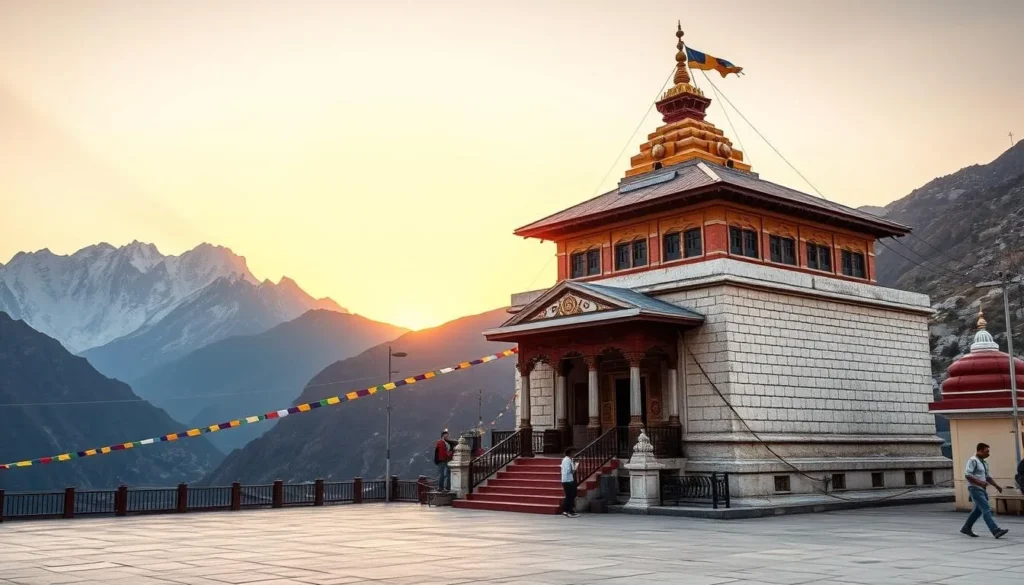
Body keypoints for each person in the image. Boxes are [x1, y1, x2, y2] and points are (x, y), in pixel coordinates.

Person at [961, 442, 1009, 539]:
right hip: (975, 488)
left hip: (981, 489)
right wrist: (980, 483)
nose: (988, 454)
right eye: (986, 451)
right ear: (980, 450)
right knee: (986, 509)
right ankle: (995, 530)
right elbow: (967, 475)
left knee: (978, 511)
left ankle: (966, 528)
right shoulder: (973, 461)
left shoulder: (984, 463)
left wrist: (997, 486)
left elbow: (987, 477)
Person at [561, 447, 579, 518]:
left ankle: (570, 509)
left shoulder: (570, 460)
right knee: (569, 496)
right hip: (567, 480)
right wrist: (575, 467)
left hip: (570, 479)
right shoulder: (566, 460)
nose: (574, 454)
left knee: (573, 494)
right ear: (570, 453)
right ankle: (566, 510)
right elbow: (568, 470)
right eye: (573, 453)